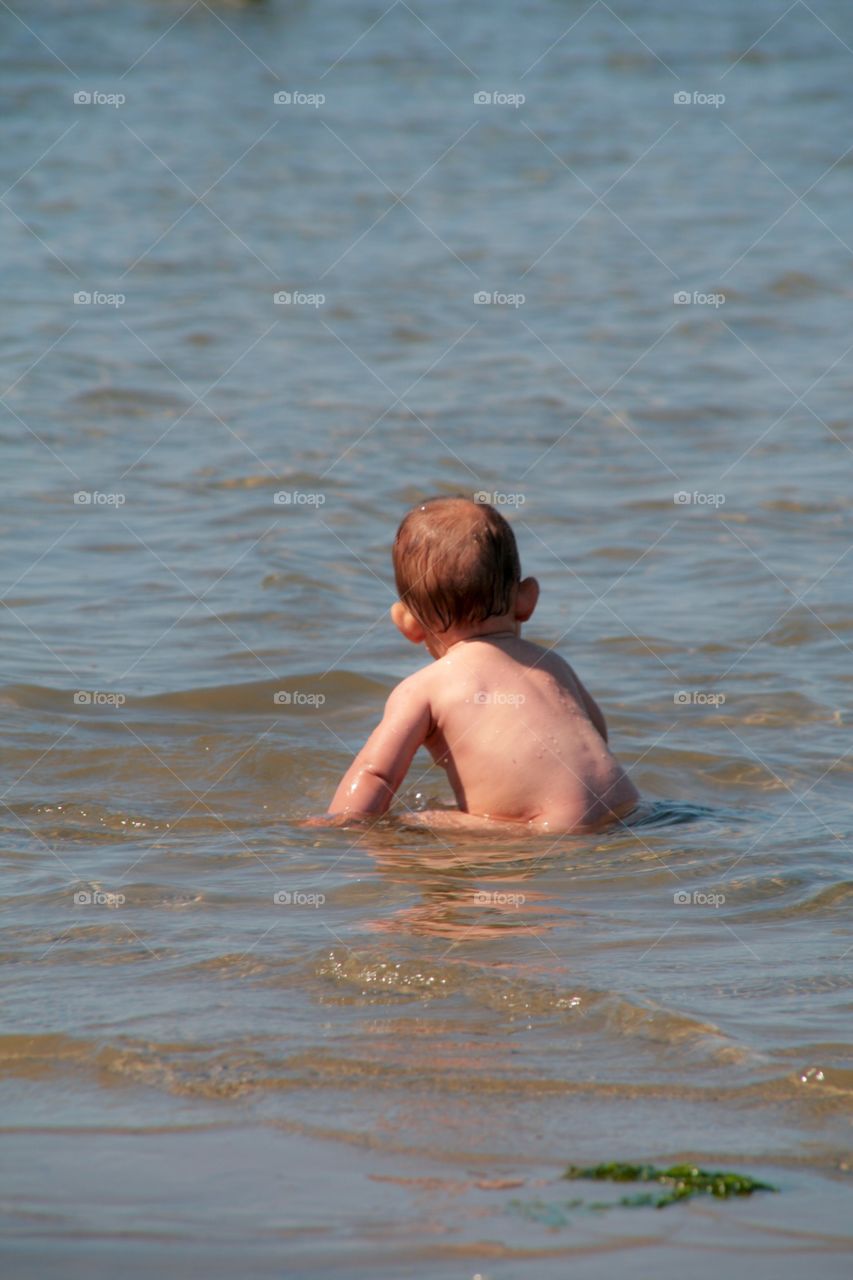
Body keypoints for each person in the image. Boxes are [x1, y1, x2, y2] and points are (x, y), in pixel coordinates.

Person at [324, 496, 639, 833]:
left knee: (405, 826)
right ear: (526, 599)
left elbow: (376, 773)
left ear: (407, 623)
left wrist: (336, 827)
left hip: (543, 832)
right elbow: (597, 735)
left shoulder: (423, 689)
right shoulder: (552, 665)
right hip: (628, 812)